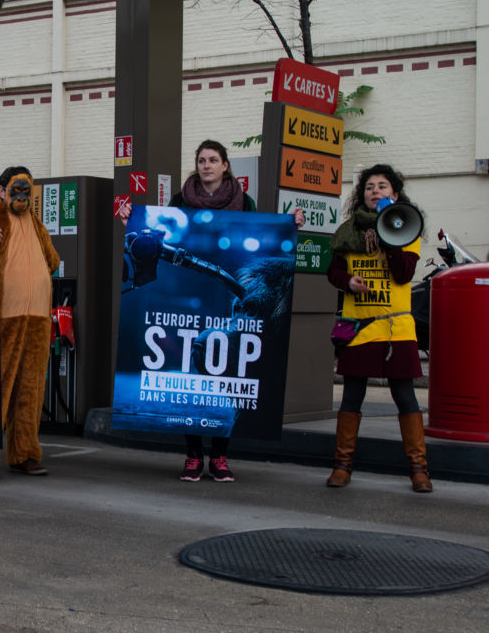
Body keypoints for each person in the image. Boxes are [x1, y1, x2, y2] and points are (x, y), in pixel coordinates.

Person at [119, 139, 304, 483]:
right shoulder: (179, 201)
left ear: (225, 166)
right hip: (196, 278)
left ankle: (219, 456)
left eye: (213, 160)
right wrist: (130, 219)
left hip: (235, 281)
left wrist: (291, 223)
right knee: (198, 378)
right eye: (201, 160)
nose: (206, 165)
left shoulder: (244, 202)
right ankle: (193, 455)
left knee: (232, 376)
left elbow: (265, 228)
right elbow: (151, 230)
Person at [325, 164, 431, 493]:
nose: (375, 191)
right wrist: (348, 282)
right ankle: (342, 465)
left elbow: (402, 275)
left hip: (396, 328)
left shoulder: (407, 230)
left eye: (382, 187)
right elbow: (333, 273)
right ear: (362, 195)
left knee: (404, 395)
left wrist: (389, 235)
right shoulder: (348, 232)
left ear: (394, 194)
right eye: (370, 187)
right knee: (353, 394)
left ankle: (418, 468)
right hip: (359, 327)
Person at [0, 166, 59, 479]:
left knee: (30, 389)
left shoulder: (36, 223)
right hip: (5, 316)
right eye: (15, 189)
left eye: (26, 190)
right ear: (1, 190)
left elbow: (53, 260)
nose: (20, 196)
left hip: (38, 317)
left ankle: (25, 454)